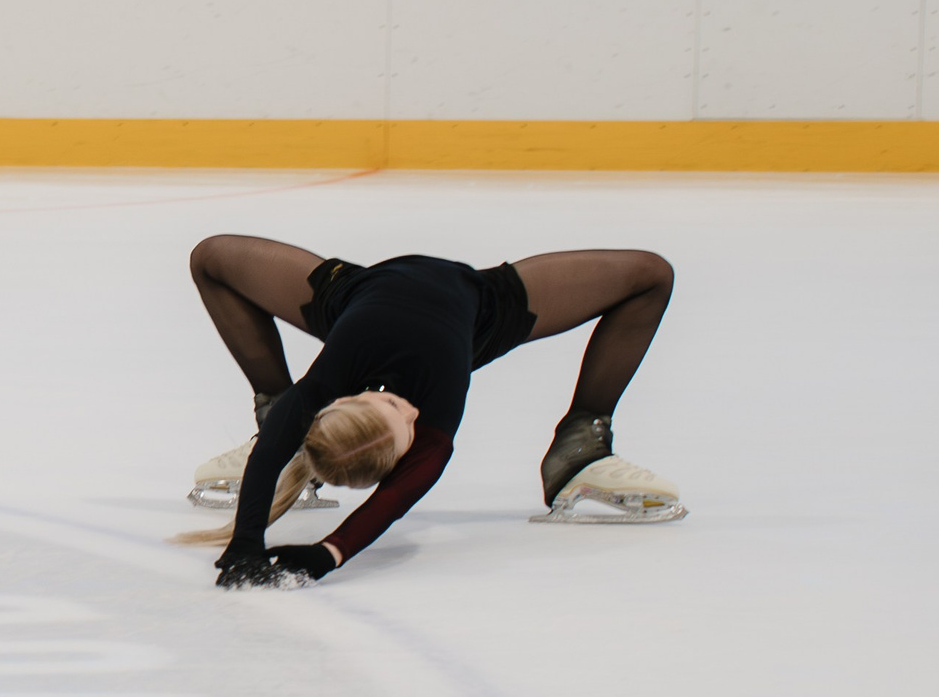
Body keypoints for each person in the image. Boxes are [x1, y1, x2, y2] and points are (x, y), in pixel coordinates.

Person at [179, 236, 682, 587]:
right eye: (409, 430)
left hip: (380, 297)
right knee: (649, 274)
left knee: (212, 256)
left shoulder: (337, 370)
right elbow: (406, 488)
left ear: (346, 399)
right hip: (478, 311)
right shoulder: (437, 396)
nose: (415, 415)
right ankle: (581, 445)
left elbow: (391, 485)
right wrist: (326, 553)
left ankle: (580, 443)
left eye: (396, 407)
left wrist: (251, 541)